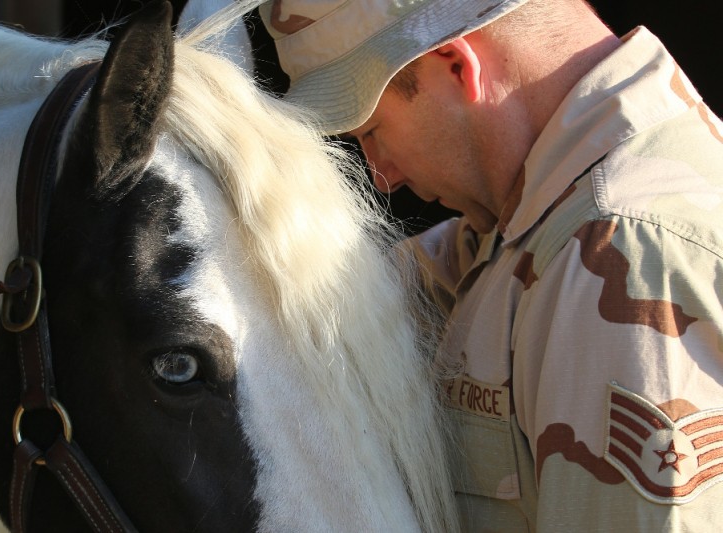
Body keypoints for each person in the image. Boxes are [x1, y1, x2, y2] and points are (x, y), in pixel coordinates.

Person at [259, 0, 723, 530]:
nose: (381, 175)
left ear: (457, 66)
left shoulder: (618, 246)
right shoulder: (543, 213)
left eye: (372, 132)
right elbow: (369, 289)